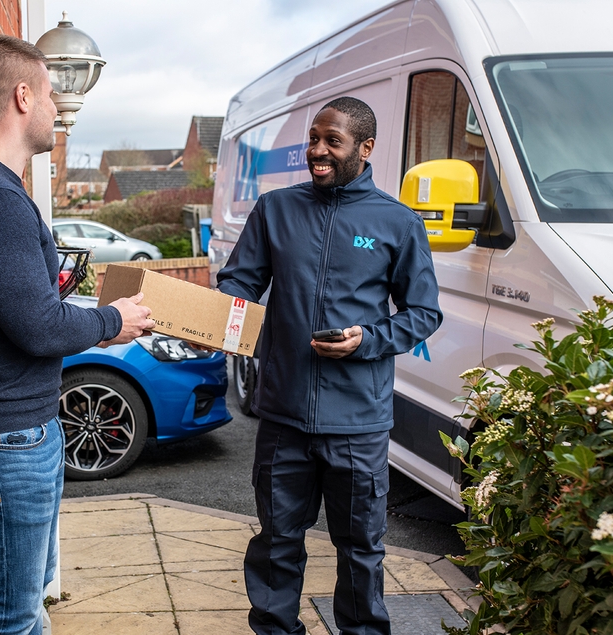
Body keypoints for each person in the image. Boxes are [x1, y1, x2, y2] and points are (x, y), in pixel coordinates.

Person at [217, 96, 443, 635]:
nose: (317, 151)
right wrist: (223, 315)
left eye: (331, 141)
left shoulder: (397, 222)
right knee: (276, 545)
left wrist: (368, 339)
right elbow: (240, 281)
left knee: (361, 551)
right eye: (313, 139)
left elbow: (424, 312)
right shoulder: (276, 210)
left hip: (358, 424)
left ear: (365, 149)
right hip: (283, 416)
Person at [0, 34, 154, 635]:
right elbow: (39, 326)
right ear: (22, 96)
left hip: (23, 432)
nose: (55, 110)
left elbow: (26, 306)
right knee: (13, 619)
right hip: (8, 443)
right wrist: (113, 321)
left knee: (27, 609)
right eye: (49, 94)